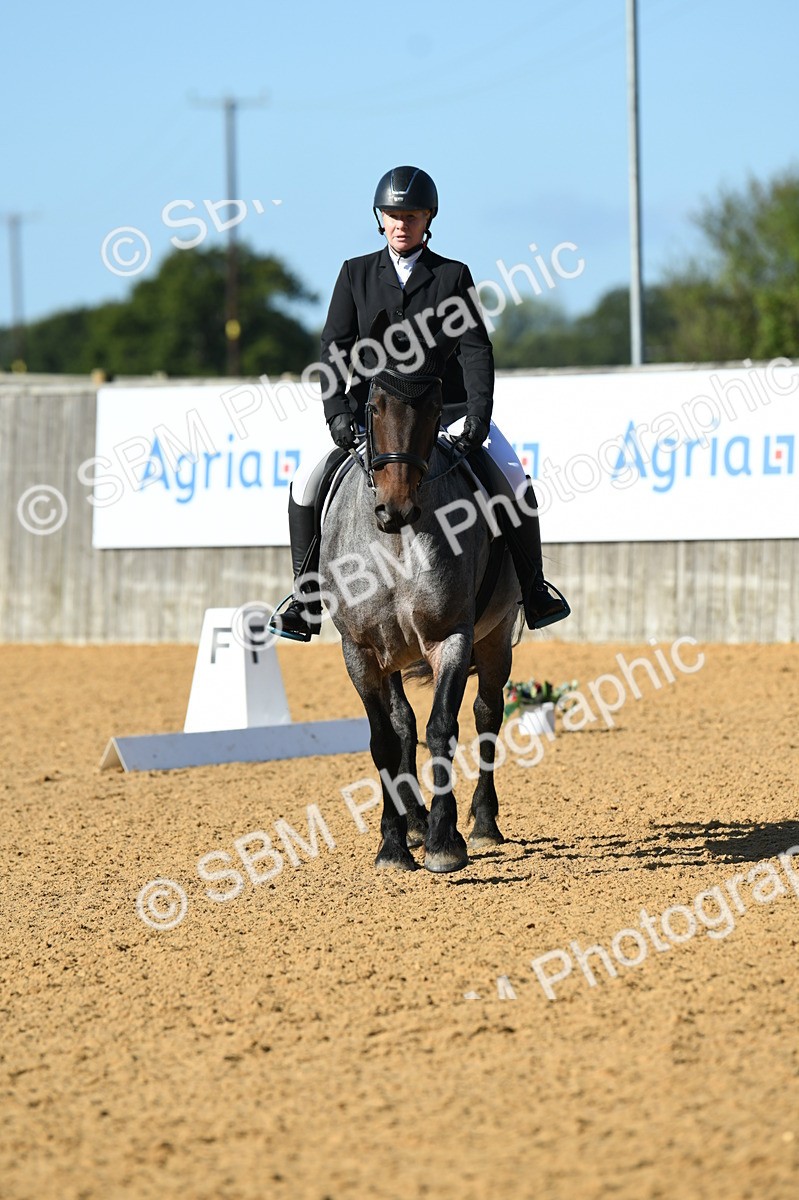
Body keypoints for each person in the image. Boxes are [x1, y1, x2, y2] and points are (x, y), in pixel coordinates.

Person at [268, 165, 569, 642]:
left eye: (410, 215)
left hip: (443, 415)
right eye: (392, 215)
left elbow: (475, 350)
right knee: (305, 482)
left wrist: (477, 416)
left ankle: (534, 590)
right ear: (379, 218)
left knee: (513, 478)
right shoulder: (356, 274)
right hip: (375, 416)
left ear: (428, 218)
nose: (400, 224)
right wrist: (338, 413)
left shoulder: (452, 276)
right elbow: (334, 349)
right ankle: (305, 602)